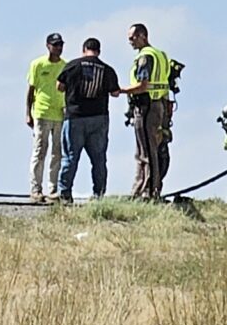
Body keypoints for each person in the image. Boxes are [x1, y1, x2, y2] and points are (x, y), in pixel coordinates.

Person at [55, 37, 121, 203]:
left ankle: (65, 194)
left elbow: (59, 86)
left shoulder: (72, 66)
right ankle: (98, 194)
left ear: (84, 49)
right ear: (99, 51)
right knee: (99, 159)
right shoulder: (107, 69)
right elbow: (115, 93)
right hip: (99, 118)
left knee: (70, 157)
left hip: (75, 117)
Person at [127, 22, 178, 199]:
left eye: (133, 38)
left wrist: (122, 90)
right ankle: (141, 189)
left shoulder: (145, 57)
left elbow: (143, 85)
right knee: (148, 150)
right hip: (159, 105)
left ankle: (148, 190)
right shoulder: (161, 55)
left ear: (143, 36)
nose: (130, 42)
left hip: (146, 107)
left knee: (147, 151)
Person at [25, 33, 68, 203]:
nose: (59, 48)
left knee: (58, 153)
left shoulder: (65, 66)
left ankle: (53, 189)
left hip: (60, 114)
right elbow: (31, 90)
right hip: (42, 112)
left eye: (60, 45)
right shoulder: (37, 64)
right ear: (48, 46)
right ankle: (36, 189)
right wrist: (28, 113)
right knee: (40, 151)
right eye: (55, 45)